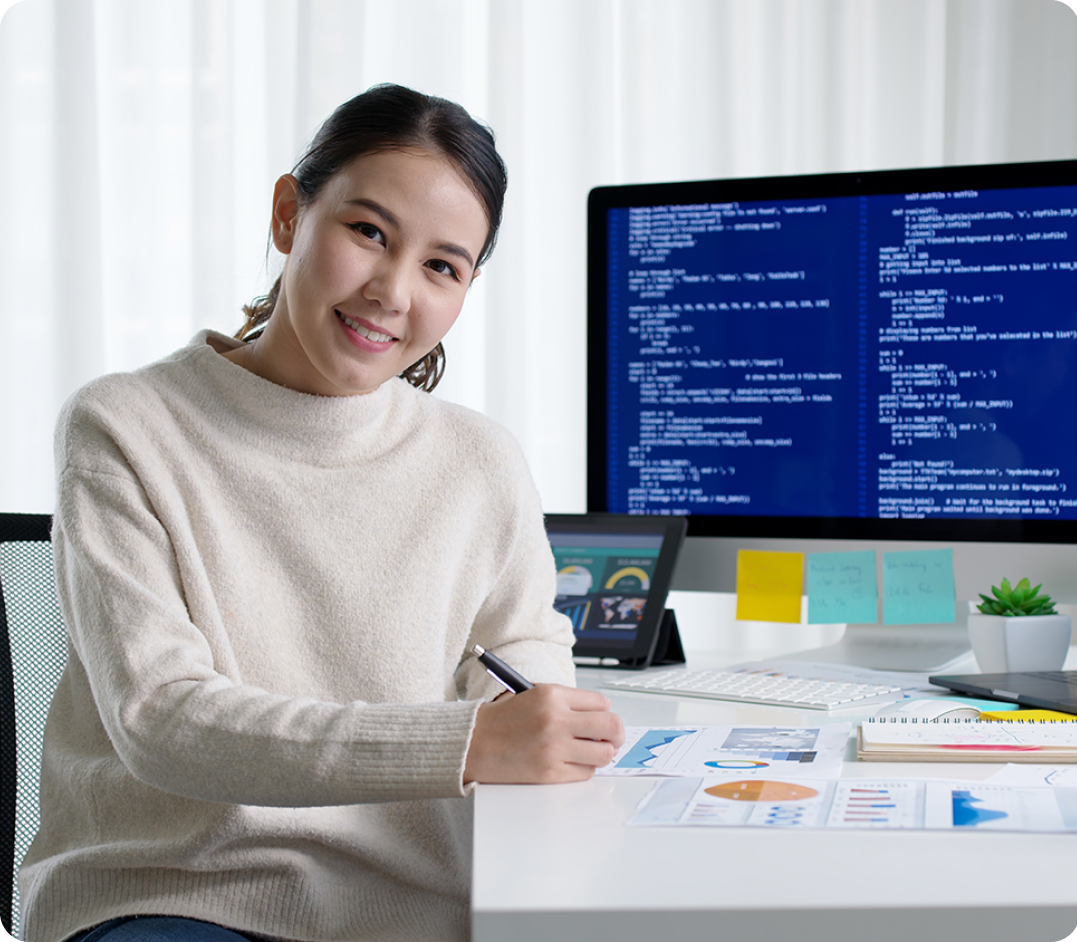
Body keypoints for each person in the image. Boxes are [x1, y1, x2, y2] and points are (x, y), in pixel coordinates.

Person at [20, 84, 624, 942]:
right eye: (368, 232)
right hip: (178, 896)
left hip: (418, 908)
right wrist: (470, 744)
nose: (391, 290)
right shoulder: (125, 425)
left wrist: (536, 717)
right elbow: (160, 720)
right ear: (287, 215)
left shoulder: (480, 459)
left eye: (441, 266)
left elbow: (521, 647)